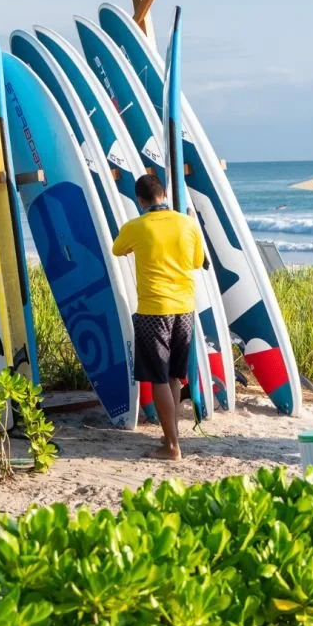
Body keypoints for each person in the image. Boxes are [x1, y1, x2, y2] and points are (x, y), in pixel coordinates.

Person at [113, 174, 204, 460]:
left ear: (140, 200)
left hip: (154, 310)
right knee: (175, 376)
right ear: (163, 193)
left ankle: (173, 446)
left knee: (158, 379)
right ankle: (169, 436)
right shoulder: (188, 224)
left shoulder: (136, 226)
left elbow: (118, 249)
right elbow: (197, 262)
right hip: (185, 308)